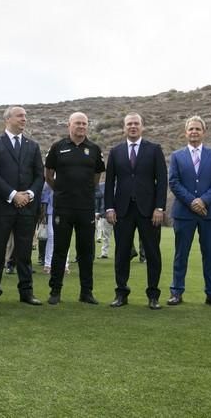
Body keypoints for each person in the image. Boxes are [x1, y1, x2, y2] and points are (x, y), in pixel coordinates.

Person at [0, 106, 44, 307]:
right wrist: (12, 195)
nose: (24, 119)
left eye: (25, 116)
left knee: (24, 252)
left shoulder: (33, 146)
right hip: (2, 207)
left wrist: (30, 194)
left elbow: (39, 175)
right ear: (8, 119)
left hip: (27, 207)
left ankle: (26, 292)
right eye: (20, 116)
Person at [104, 112, 166, 309]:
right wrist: (109, 207)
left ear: (142, 127)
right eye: (129, 124)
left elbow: (162, 181)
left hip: (148, 211)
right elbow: (109, 183)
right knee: (122, 253)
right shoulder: (115, 151)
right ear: (124, 128)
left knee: (152, 253)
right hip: (122, 211)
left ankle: (153, 295)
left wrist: (159, 207)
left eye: (136, 124)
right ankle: (121, 293)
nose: (132, 127)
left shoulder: (154, 150)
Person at [167, 116, 211, 308]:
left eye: (197, 129)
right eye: (191, 129)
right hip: (184, 212)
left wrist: (203, 200)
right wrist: (192, 201)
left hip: (209, 212)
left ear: (204, 132)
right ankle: (176, 292)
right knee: (180, 254)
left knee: (210, 253)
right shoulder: (176, 156)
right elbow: (174, 182)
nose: (194, 132)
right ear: (185, 132)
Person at [45, 112, 105, 305]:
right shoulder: (58, 147)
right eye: (77, 123)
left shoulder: (94, 149)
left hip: (86, 208)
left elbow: (97, 177)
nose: (81, 126)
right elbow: (48, 175)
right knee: (60, 250)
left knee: (86, 251)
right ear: (69, 125)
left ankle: (86, 292)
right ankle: (55, 291)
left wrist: (85, 192)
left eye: (84, 123)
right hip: (63, 207)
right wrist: (61, 191)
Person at [95, 180, 112, 259]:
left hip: (120, 214)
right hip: (105, 214)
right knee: (106, 235)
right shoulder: (101, 186)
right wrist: (97, 212)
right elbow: (98, 199)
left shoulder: (120, 183)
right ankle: (104, 253)